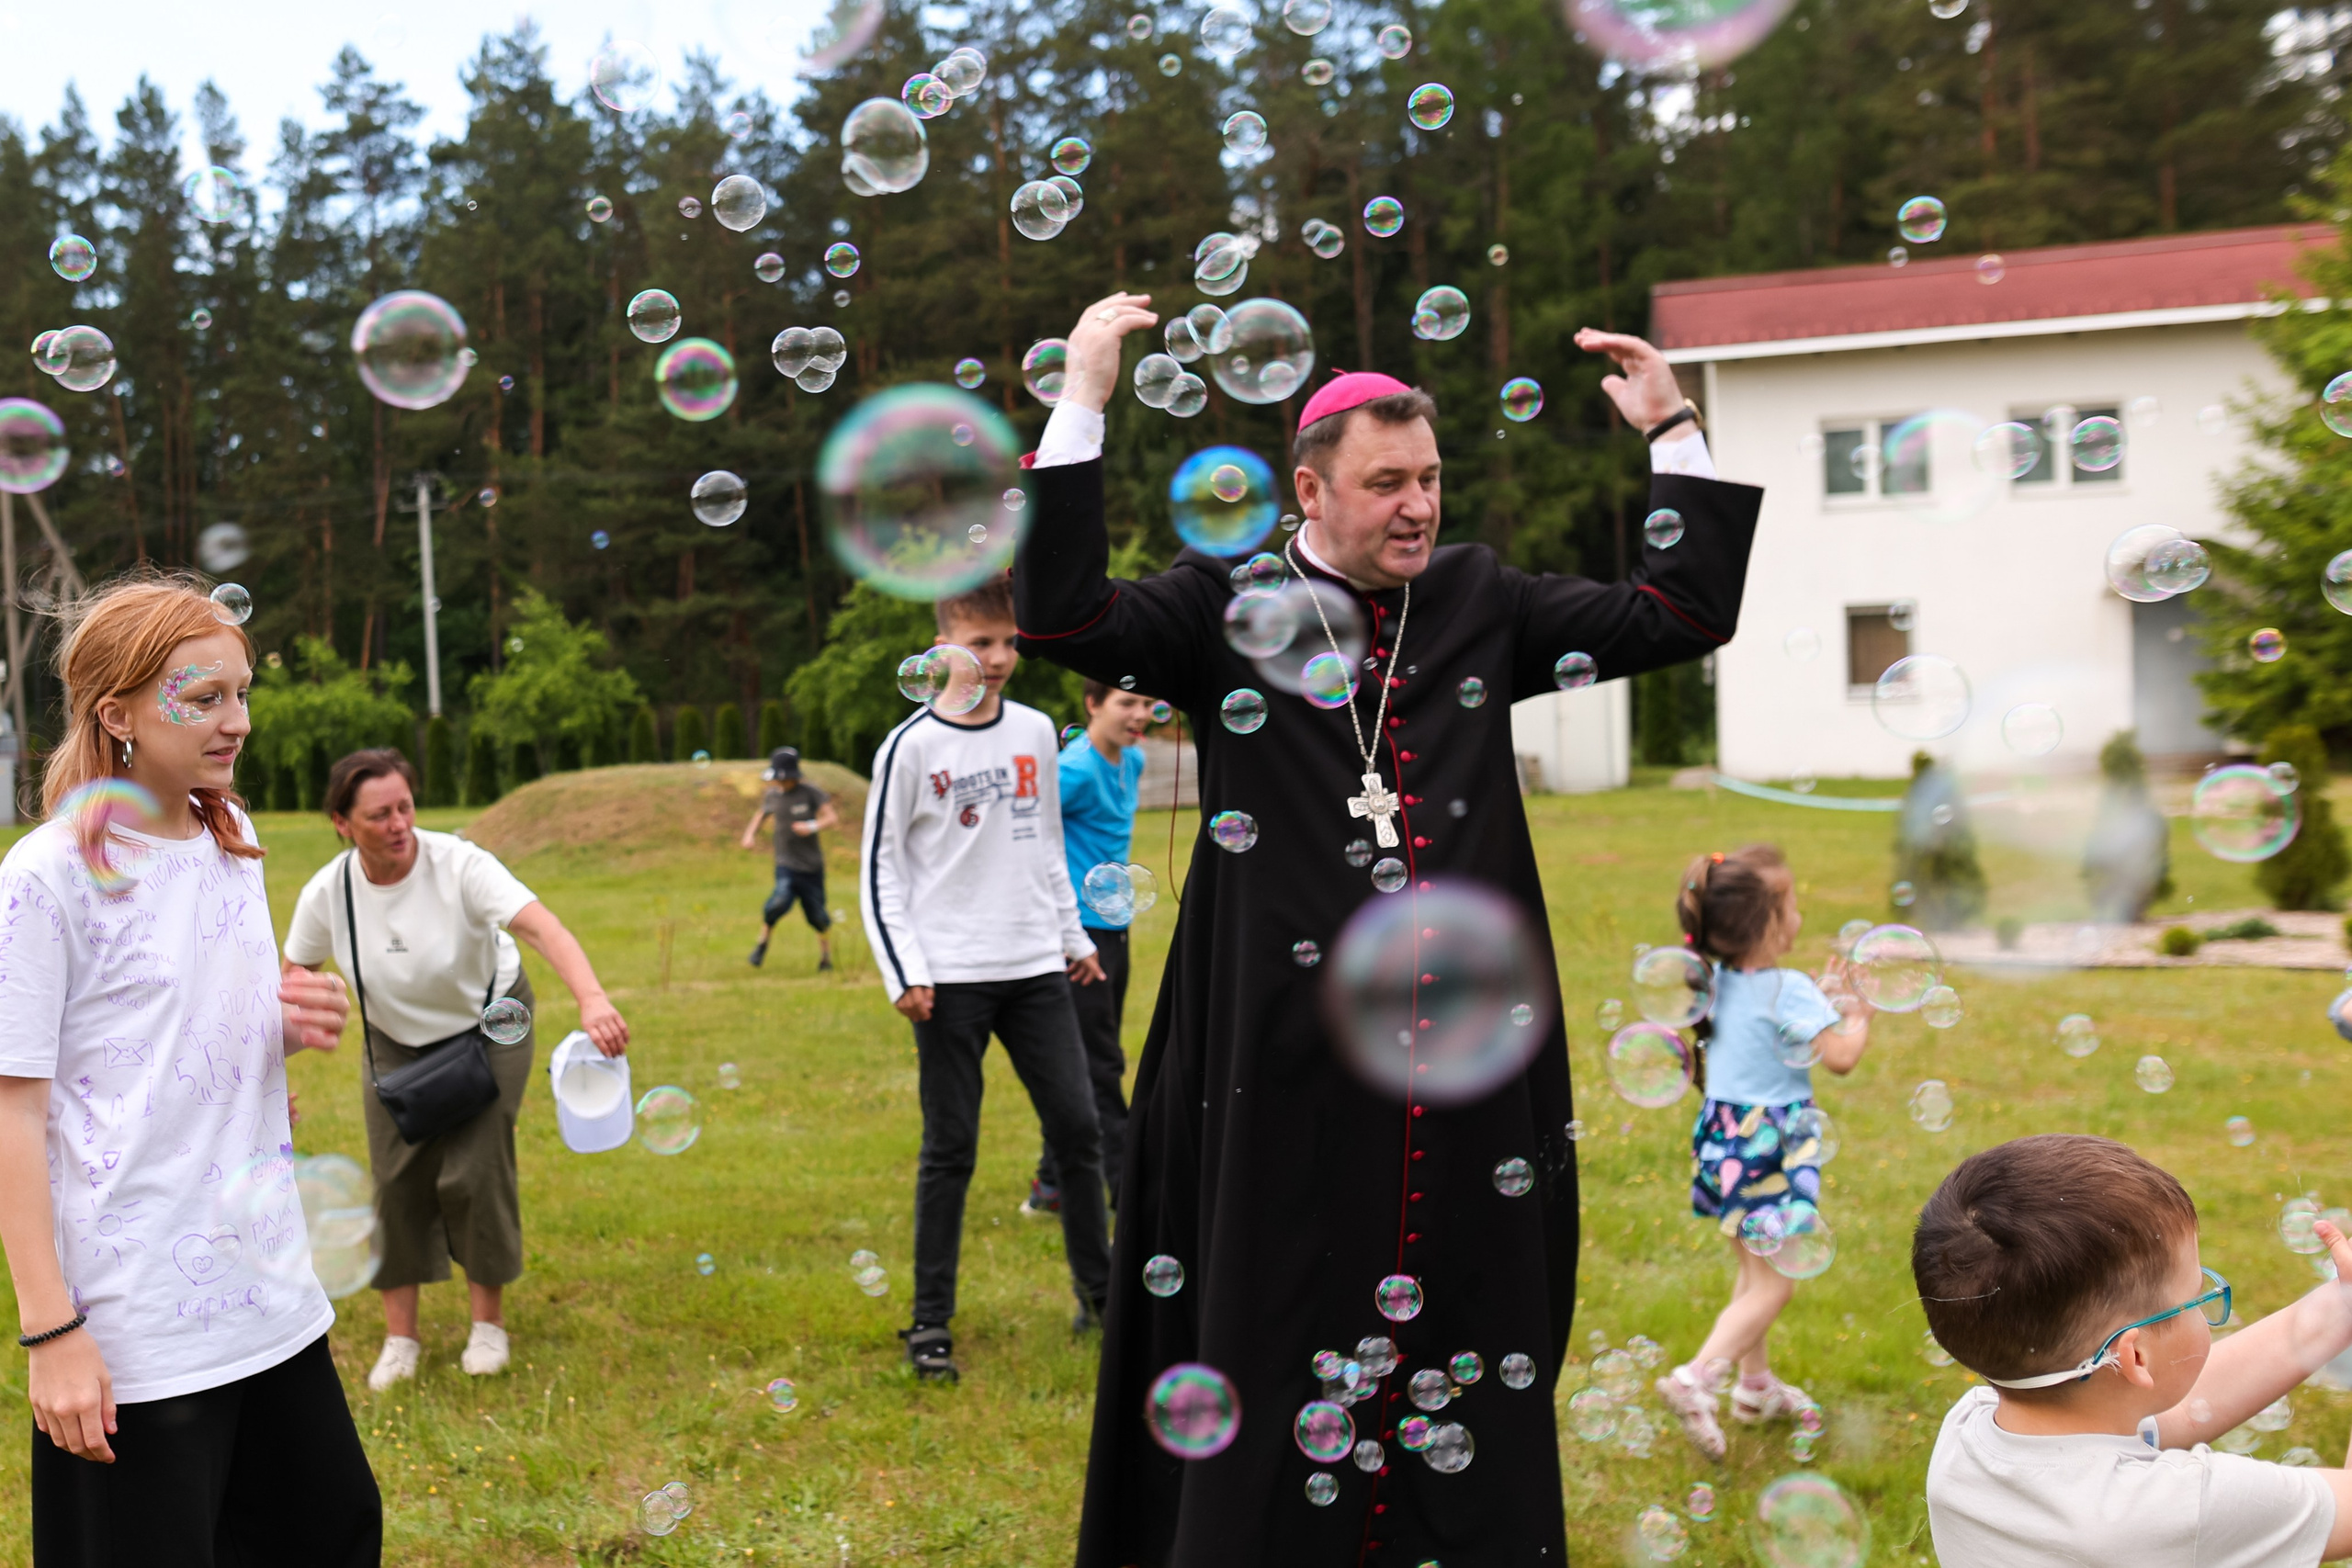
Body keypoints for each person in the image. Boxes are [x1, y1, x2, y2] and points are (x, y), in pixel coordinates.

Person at [1012, 291, 1761, 1563]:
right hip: (1279, 1055)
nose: (1418, 505)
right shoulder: (1222, 603)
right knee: (1276, 1306)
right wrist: (1082, 395)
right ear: (1309, 490)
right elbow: (1065, 617)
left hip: (1465, 1048)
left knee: (1459, 1311)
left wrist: (1673, 428)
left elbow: (1679, 614)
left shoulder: (1482, 596)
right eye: (1385, 483)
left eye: (1430, 479)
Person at [0, 576, 379, 1564]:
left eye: (242, 693)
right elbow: (15, 1117)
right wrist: (53, 1335)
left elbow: (179, 1044)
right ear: (116, 713)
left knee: (335, 1528)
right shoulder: (45, 879)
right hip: (138, 1333)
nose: (237, 721)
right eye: (202, 697)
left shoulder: (232, 840)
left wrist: (276, 1027)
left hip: (269, 1298)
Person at [282, 749, 629, 1392]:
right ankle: (401, 1340)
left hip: (491, 1024)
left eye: (405, 807)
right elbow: (293, 979)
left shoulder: (460, 864)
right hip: (393, 1042)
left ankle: (488, 1325)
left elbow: (543, 927)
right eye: (378, 814)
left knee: (475, 1168)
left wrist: (593, 997)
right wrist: (278, 1065)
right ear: (341, 822)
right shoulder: (328, 892)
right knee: (395, 1180)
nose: (398, 823)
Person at [860, 576, 1114, 1383]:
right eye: (980, 642)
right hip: (949, 980)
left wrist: (1072, 939)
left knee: (1079, 1132)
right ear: (942, 649)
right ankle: (930, 1323)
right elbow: (880, 871)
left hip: (1036, 968)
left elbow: (1044, 849)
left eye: (1009, 641)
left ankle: (1102, 1300)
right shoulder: (909, 747)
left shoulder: (1037, 731)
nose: (999, 658)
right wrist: (906, 971)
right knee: (951, 1149)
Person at [1916, 1134, 2352, 1567]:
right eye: (2198, 1298)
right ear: (2135, 1356)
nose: (2205, 1306)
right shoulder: (2186, 1509)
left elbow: (2181, 1413)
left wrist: (2343, 1303)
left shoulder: (1967, 1435)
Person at [1650, 845, 1875, 1460]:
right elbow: (1842, 1057)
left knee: (1752, 1274)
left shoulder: (1714, 983)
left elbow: (1772, 1025)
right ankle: (1697, 1378)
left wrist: (1820, 1000)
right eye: (1793, 902)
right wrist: (1857, 1012)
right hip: (1770, 1149)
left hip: (1722, 1144)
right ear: (1771, 922)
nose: (1799, 914)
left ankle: (1754, 1388)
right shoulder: (1789, 987)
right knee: (1775, 1287)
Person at [1022, 679, 1154, 1219]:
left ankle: (1050, 1186)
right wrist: (1060, 932)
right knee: (1099, 1065)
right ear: (1093, 704)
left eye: (1147, 704)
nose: (1139, 714)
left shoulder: (1134, 761)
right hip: (1077, 939)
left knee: (1091, 1058)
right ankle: (1132, 1196)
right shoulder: (1072, 771)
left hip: (1112, 927)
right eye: (1127, 703)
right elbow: (1029, 841)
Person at [741, 746, 840, 972]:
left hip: (812, 867)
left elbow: (831, 818)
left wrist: (811, 826)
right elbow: (760, 815)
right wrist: (749, 835)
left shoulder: (810, 793)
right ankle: (761, 945)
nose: (780, 784)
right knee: (778, 903)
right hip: (786, 864)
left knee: (818, 916)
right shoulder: (773, 795)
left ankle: (826, 958)